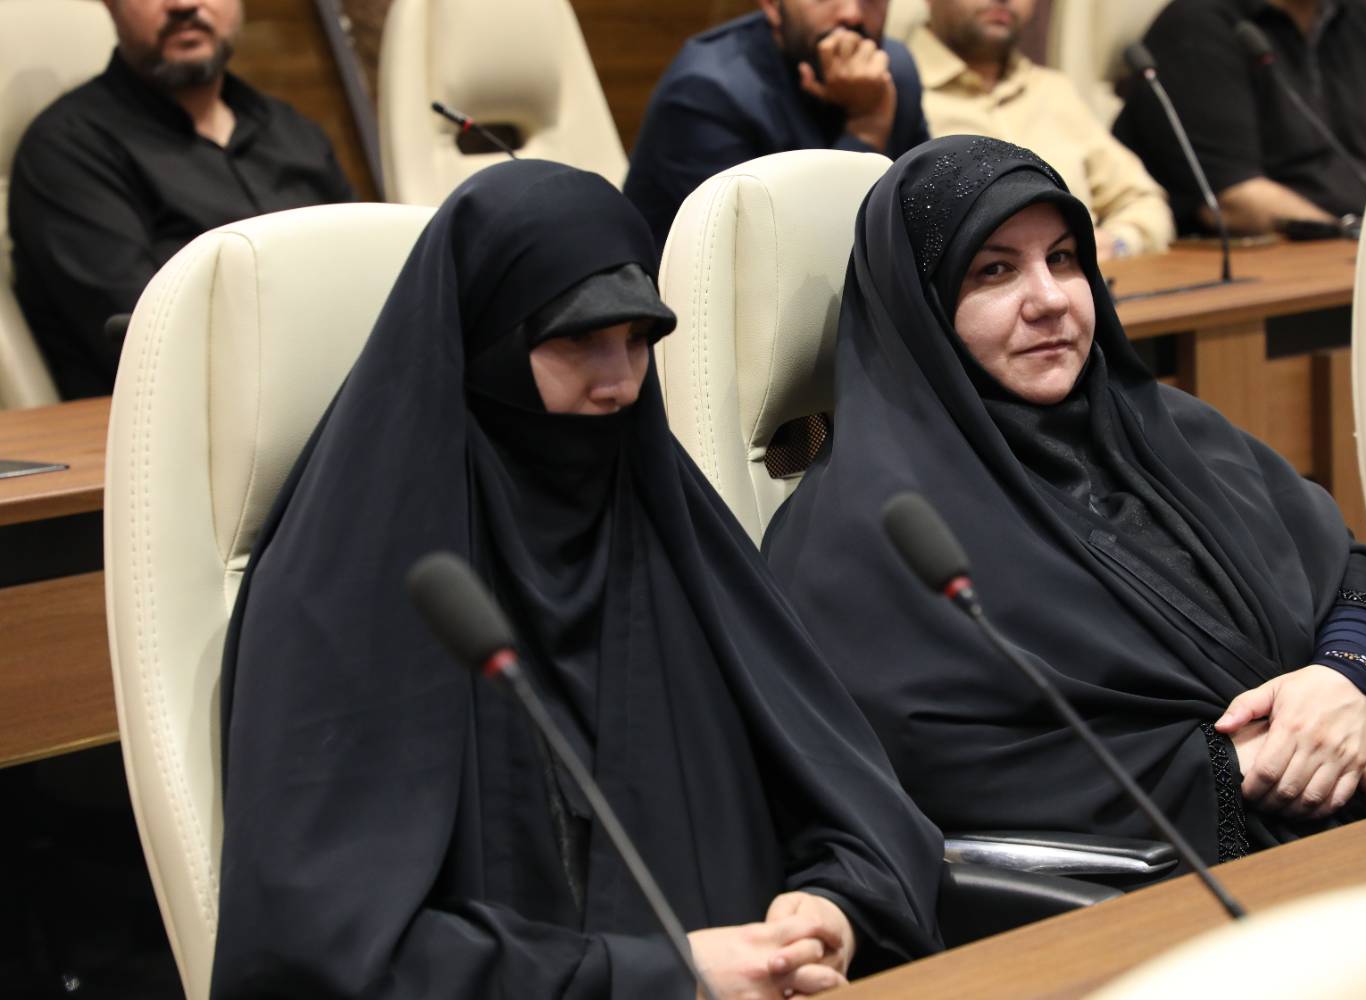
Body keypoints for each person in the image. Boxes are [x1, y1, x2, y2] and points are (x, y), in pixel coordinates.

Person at [210, 160, 943, 999]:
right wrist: (663, 978)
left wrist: (833, 907)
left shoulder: (671, 524)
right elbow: (317, 954)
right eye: (577, 341)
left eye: (637, 341)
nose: (620, 382)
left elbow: (859, 801)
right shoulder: (346, 590)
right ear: (486, 341)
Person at [762, 136, 1366, 869]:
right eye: (995, 270)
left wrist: (1346, 677)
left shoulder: (1168, 428)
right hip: (1187, 881)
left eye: (1063, 259)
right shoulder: (862, 531)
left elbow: (1345, 569)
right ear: (920, 305)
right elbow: (933, 759)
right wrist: (1232, 765)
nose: (1050, 299)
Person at [8, 0, 352, 400]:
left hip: (346, 397)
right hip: (189, 423)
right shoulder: (68, 150)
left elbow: (377, 275)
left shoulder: (293, 131)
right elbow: (152, 346)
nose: (184, 4)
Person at [624, 0, 929, 249]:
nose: (852, 13)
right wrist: (866, 125)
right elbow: (772, 262)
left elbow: (928, 215)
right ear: (771, 5)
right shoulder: (705, 93)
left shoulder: (892, 73)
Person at [1112, 0, 1366, 235]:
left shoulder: (1358, 19)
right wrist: (1354, 235)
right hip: (1281, 256)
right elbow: (1235, 200)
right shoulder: (1197, 25)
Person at [908, 0, 1172, 258]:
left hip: (1080, 281)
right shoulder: (896, 90)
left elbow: (1142, 199)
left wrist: (1117, 243)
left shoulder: (1054, 90)